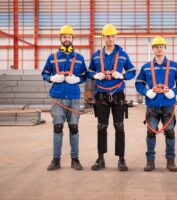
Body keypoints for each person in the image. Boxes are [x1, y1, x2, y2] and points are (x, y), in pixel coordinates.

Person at [88, 24, 136, 171]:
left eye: (112, 36)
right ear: (103, 37)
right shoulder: (96, 55)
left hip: (117, 95)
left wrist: (122, 75)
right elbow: (89, 72)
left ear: (115, 37)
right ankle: (100, 158)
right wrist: (95, 75)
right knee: (101, 127)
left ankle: (121, 159)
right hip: (101, 94)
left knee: (119, 126)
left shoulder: (122, 54)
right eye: (107, 36)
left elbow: (132, 71)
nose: (110, 38)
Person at [135, 36, 177, 172]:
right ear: (153, 49)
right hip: (152, 104)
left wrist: (173, 92)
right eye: (156, 46)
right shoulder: (146, 67)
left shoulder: (174, 66)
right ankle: (150, 161)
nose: (159, 49)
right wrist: (146, 92)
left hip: (168, 104)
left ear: (165, 48)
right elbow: (138, 83)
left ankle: (171, 161)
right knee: (151, 133)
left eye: (161, 46)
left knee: (170, 132)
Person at [42, 25, 87, 171]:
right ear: (60, 39)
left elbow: (85, 75)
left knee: (74, 128)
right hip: (57, 98)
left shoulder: (79, 59)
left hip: (73, 98)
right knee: (57, 128)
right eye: (64, 36)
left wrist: (78, 80)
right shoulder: (52, 58)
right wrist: (51, 78)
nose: (66, 39)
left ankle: (75, 159)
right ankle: (56, 160)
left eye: (69, 36)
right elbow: (45, 73)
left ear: (72, 38)